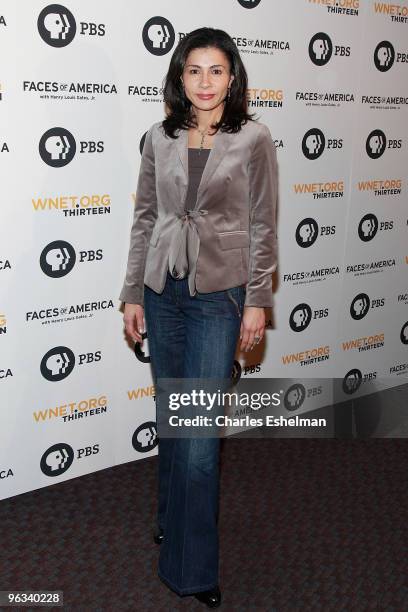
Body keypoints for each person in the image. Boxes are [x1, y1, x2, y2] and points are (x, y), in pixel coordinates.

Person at [120, 27, 278, 608]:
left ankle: (191, 570)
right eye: (194, 70)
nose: (205, 82)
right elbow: (143, 220)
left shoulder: (254, 138)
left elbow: (263, 225)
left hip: (219, 297)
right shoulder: (157, 138)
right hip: (163, 294)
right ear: (179, 77)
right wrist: (133, 291)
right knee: (171, 419)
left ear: (232, 77)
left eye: (216, 70)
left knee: (198, 439)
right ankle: (170, 522)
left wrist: (259, 301)